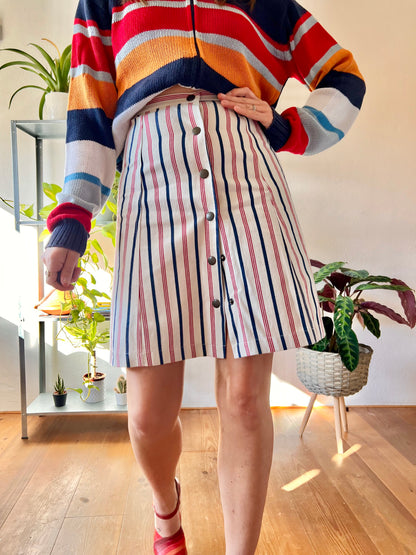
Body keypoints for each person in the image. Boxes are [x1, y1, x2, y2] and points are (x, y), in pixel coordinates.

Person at [42, 0, 365, 553]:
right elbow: (91, 105)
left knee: (244, 400)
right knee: (146, 416)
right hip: (152, 176)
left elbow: (343, 74)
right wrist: (74, 215)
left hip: (247, 180)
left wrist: (287, 126)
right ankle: (166, 512)